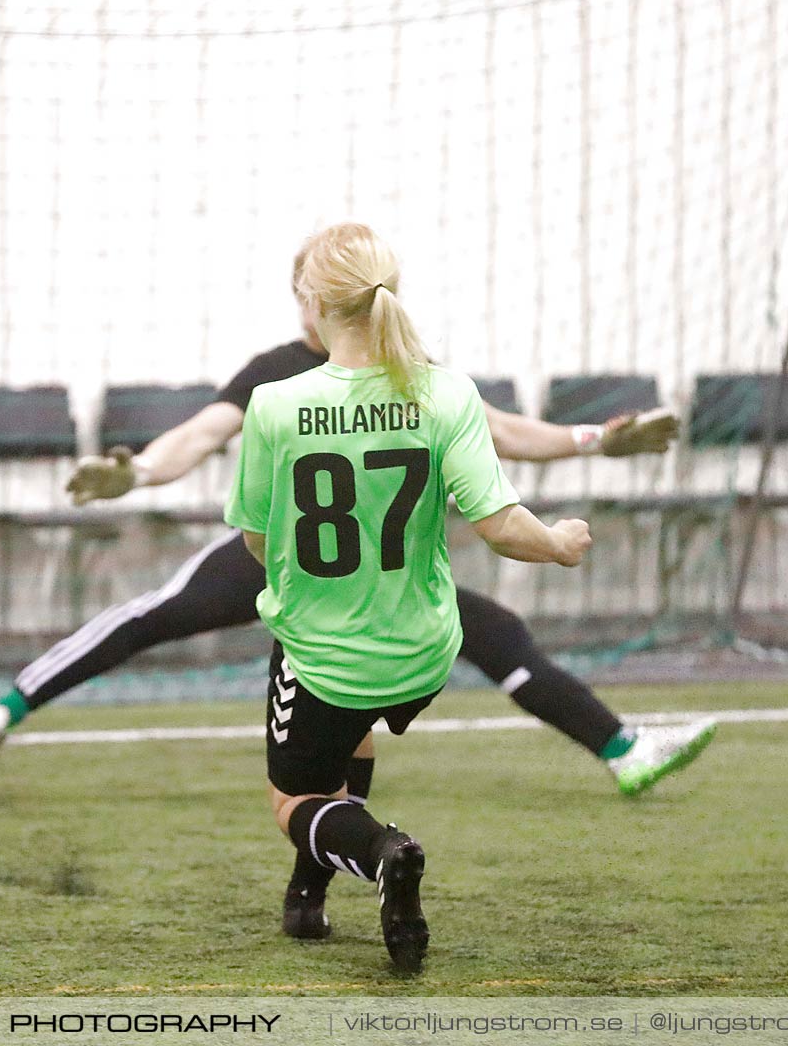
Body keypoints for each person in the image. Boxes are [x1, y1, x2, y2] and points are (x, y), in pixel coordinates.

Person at [0, 240, 716, 938]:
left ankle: (618, 748)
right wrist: (138, 469)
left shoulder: (409, 372)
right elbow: (203, 434)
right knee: (154, 618)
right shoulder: (284, 375)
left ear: (321, 295)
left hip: (367, 581)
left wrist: (597, 438)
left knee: (494, 638)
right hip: (299, 568)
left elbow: (505, 429)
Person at [227, 222, 596, 972]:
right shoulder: (444, 391)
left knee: (292, 802)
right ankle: (307, 896)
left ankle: (379, 852)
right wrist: (558, 543)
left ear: (312, 302)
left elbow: (258, 544)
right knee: (351, 730)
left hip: (328, 654)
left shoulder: (274, 404)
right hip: (425, 653)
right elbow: (498, 525)